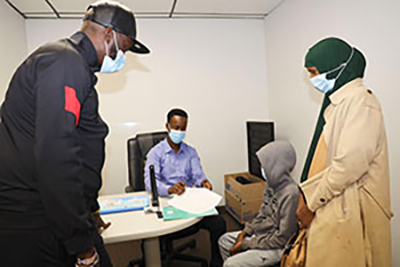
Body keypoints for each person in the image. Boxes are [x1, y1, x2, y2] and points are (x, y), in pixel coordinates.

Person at [0, 1, 150, 267]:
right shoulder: (64, 63)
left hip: (61, 212)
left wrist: (89, 209)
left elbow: (82, 148)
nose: (122, 59)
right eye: (124, 49)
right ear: (108, 35)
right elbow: (57, 156)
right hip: (34, 217)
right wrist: (81, 244)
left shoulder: (74, 67)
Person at [296, 37, 393, 267]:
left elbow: (349, 166)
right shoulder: (339, 102)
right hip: (336, 203)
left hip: (354, 211)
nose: (312, 79)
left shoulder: (361, 102)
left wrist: (311, 204)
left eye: (313, 72)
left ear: (335, 68)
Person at [144, 108, 226, 267]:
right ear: (167, 126)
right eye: (176, 128)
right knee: (149, 236)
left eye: (183, 128)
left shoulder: (191, 152)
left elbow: (198, 174)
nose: (179, 132)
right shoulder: (156, 153)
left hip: (189, 202)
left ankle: (217, 261)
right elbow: (150, 183)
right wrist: (169, 189)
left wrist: (203, 181)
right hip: (166, 201)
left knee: (219, 223)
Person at [219, 141, 299, 267]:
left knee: (230, 264)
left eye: (264, 165)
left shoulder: (291, 194)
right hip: (262, 235)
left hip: (276, 247)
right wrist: (245, 232)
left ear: (276, 166)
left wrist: (246, 244)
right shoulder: (271, 184)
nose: (262, 169)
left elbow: (282, 238)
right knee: (224, 241)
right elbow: (262, 213)